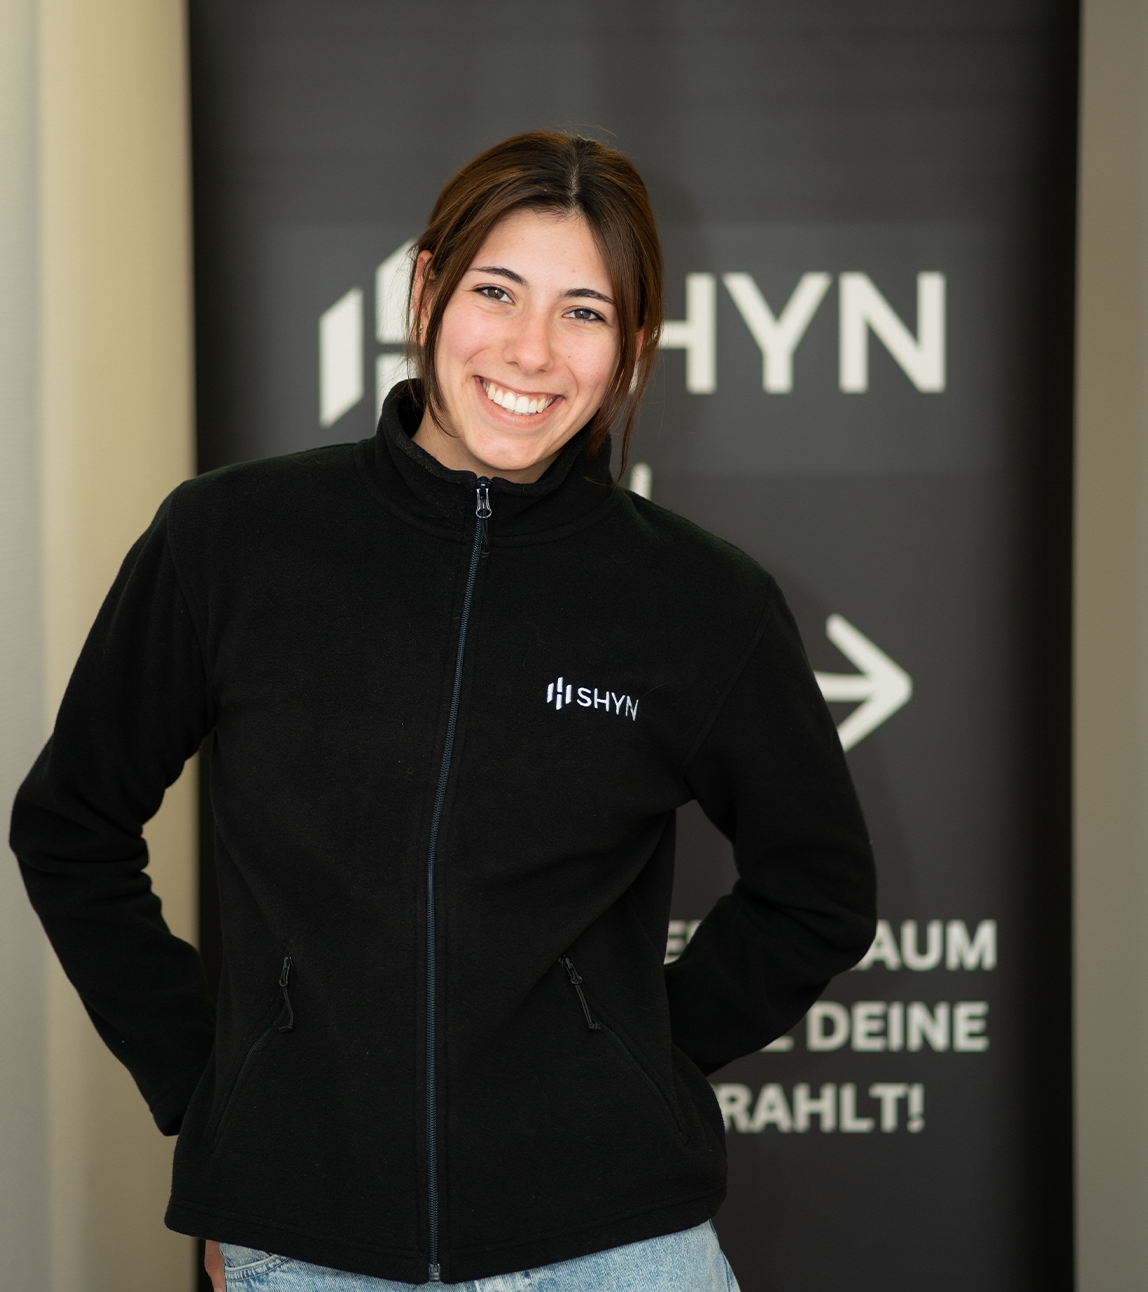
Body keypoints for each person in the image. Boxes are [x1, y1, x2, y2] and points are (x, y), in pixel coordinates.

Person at [10, 131, 876, 1291]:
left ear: (630, 347)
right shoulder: (231, 542)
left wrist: (627, 1058)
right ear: (425, 287)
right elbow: (70, 826)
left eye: (583, 311)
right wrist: (211, 1085)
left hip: (615, 1245)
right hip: (306, 1243)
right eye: (496, 290)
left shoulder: (698, 600)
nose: (531, 349)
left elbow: (816, 889)